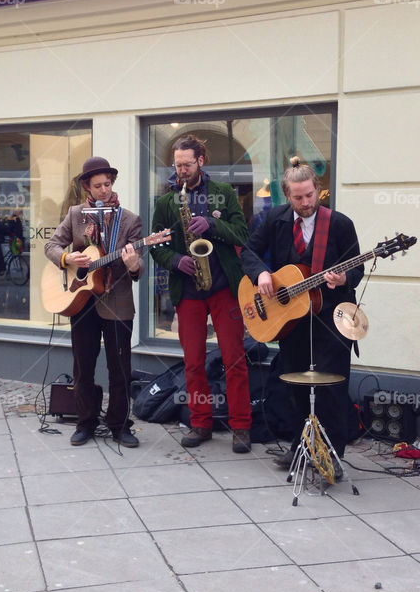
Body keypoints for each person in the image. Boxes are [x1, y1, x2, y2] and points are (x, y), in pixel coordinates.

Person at [241, 157, 363, 471]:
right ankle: (301, 447)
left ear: (317, 190)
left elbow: (357, 268)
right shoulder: (275, 220)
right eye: (298, 197)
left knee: (331, 389)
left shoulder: (338, 223)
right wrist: (261, 276)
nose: (305, 202)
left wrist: (343, 278)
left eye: (309, 195)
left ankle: (331, 457)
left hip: (330, 318)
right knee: (293, 386)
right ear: (287, 196)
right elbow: (249, 251)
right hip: (290, 319)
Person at [151, 135, 253, 453]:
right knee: (193, 362)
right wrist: (175, 260)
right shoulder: (168, 202)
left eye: (186, 164)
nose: (181, 170)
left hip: (224, 288)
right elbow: (157, 245)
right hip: (190, 291)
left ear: (201, 161)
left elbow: (242, 234)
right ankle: (200, 422)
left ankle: (241, 427)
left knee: (234, 359)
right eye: (177, 165)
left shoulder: (222, 193)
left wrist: (210, 224)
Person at [44, 156, 143, 447]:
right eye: (98, 185)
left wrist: (134, 263)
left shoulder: (130, 220)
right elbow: (51, 245)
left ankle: (120, 424)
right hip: (83, 300)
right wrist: (67, 257)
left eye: (108, 184)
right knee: (83, 366)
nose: (104, 189)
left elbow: (139, 270)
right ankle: (85, 422)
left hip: (118, 302)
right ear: (87, 186)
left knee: (120, 367)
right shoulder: (75, 214)